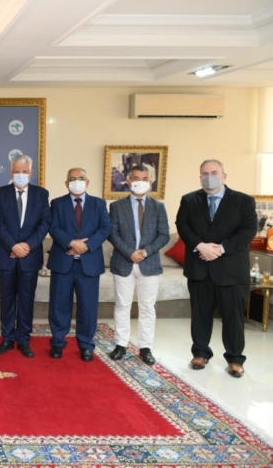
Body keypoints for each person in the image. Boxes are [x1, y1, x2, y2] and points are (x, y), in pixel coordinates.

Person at [175, 159, 256, 378]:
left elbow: (248, 230)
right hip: (199, 268)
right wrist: (200, 245)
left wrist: (220, 249)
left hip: (231, 270)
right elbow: (182, 226)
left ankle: (235, 359)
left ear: (224, 176)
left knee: (233, 318)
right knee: (200, 315)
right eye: (205, 173)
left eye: (214, 172)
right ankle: (200, 353)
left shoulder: (243, 201)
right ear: (199, 176)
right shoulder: (189, 200)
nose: (209, 177)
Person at [108, 165, 170, 365]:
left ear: (150, 182)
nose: (140, 182)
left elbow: (164, 235)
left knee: (147, 307)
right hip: (123, 262)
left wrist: (144, 252)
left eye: (144, 178)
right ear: (128, 181)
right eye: (136, 178)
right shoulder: (116, 206)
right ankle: (120, 344)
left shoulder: (158, 207)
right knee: (122, 305)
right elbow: (112, 234)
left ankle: (145, 347)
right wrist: (130, 252)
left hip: (149, 263)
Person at [47, 168, 110, 362]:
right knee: (59, 305)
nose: (76, 181)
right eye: (72, 179)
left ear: (87, 182)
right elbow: (53, 227)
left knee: (88, 308)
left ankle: (86, 345)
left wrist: (86, 246)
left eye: (80, 178)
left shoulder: (99, 204)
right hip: (62, 263)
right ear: (66, 183)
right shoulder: (57, 203)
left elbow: (105, 228)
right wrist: (71, 243)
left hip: (89, 265)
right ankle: (58, 342)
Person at [0, 155, 50, 358]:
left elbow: (45, 223)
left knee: (26, 300)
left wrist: (28, 246)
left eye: (24, 171)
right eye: (17, 171)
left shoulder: (41, 194)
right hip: (6, 255)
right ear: (11, 172)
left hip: (29, 257)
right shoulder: (0, 193)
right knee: (7, 300)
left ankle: (24, 339)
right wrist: (13, 246)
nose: (21, 174)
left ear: (30, 173)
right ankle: (7, 338)